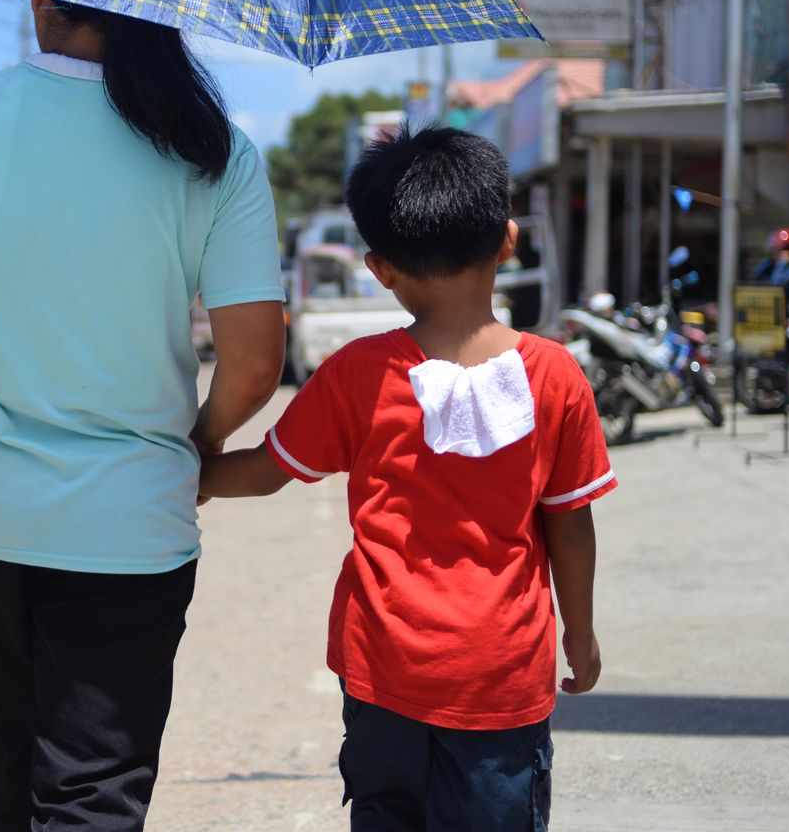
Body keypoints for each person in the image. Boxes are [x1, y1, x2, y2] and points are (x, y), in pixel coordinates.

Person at [0, 0, 285, 831]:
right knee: (91, 791)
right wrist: (198, 445)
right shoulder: (214, 149)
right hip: (131, 519)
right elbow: (254, 367)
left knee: (6, 760)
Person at [199, 127, 614, 830]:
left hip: (381, 667)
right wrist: (580, 632)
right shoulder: (556, 375)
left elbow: (268, 474)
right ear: (509, 242)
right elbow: (570, 526)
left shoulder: (359, 373)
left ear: (380, 268)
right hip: (501, 672)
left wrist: (186, 470)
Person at [753, 226, 789, 296]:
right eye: (773, 249)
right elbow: (757, 274)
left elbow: (776, 285)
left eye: (777, 249)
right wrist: (767, 262)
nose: (773, 253)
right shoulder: (771, 265)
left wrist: (782, 263)